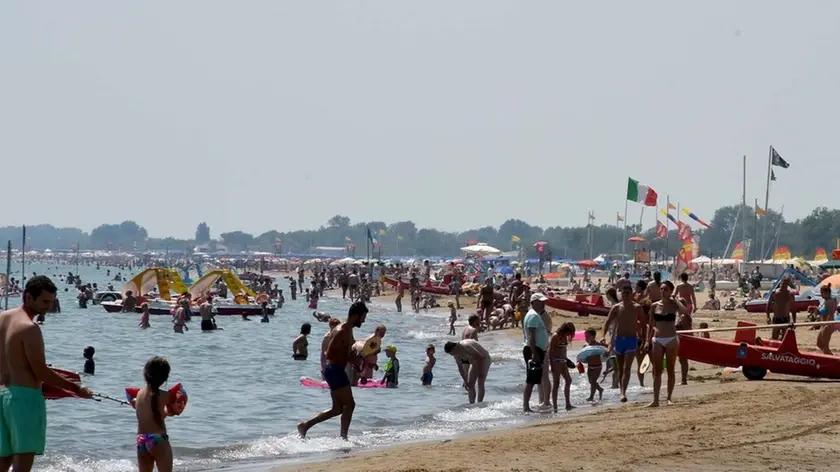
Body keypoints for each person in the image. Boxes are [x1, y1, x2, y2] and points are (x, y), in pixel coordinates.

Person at [0, 276, 93, 472]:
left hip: (2, 395)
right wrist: (76, 388)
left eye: (51, 301)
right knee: (22, 463)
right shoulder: (30, 328)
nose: (49, 307)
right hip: (24, 399)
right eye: (44, 301)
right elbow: (40, 371)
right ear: (28, 297)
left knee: (2, 461)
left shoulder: (2, 319)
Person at [298, 301, 368, 440]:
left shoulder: (348, 329)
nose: (364, 320)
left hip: (336, 370)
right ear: (356, 315)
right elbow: (329, 353)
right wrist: (349, 357)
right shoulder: (341, 331)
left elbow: (351, 350)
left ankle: (305, 425)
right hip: (335, 370)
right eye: (363, 317)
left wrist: (357, 362)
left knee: (338, 409)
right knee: (350, 404)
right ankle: (343, 437)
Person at [647, 281, 689, 407]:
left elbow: (685, 312)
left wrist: (676, 300)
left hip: (671, 338)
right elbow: (651, 324)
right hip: (658, 338)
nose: (663, 291)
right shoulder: (655, 305)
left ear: (671, 291)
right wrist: (647, 341)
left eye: (665, 289)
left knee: (671, 369)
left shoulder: (674, 305)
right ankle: (655, 399)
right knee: (657, 370)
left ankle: (669, 398)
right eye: (661, 289)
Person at [602, 283, 643, 403]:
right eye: (623, 293)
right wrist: (603, 336)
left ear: (631, 294)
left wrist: (643, 338)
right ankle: (621, 390)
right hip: (619, 340)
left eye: (627, 293)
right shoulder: (616, 307)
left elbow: (644, 323)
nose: (625, 295)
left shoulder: (637, 307)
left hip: (631, 340)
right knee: (620, 369)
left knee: (627, 368)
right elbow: (608, 322)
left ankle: (623, 393)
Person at [135, 357, 173, 472]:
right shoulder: (166, 396)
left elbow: (146, 414)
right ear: (165, 378)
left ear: (145, 373)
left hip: (142, 440)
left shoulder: (139, 394)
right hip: (158, 439)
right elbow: (175, 410)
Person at [522, 293, 551, 412]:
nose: (543, 304)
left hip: (536, 349)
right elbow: (531, 336)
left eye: (544, 301)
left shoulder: (533, 315)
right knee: (531, 380)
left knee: (535, 379)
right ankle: (526, 406)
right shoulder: (533, 316)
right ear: (533, 303)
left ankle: (529, 405)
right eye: (540, 302)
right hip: (534, 349)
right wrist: (535, 353)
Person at [444, 339, 490, 404]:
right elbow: (460, 368)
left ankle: (480, 403)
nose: (452, 355)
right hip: (470, 360)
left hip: (483, 358)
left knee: (480, 380)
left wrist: (479, 372)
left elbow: (480, 357)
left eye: (452, 353)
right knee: (470, 385)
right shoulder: (456, 355)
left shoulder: (466, 346)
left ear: (455, 348)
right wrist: (465, 381)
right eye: (450, 354)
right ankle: (472, 404)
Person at [548, 322, 575, 412]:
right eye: (569, 333)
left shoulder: (564, 337)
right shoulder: (555, 336)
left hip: (563, 361)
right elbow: (550, 352)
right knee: (556, 384)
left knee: (568, 380)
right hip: (556, 362)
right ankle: (555, 406)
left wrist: (567, 360)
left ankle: (568, 404)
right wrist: (551, 365)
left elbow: (563, 350)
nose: (569, 335)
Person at [579, 328, 606, 402]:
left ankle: (591, 396)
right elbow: (581, 355)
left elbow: (605, 351)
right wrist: (579, 361)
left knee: (593, 381)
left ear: (593, 337)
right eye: (585, 336)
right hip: (590, 366)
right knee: (591, 381)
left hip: (597, 366)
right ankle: (600, 389)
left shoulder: (598, 345)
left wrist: (605, 345)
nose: (586, 338)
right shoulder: (585, 346)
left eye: (588, 336)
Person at [767, 276, 795, 341]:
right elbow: (769, 305)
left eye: (786, 283)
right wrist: (768, 316)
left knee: (785, 338)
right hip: (776, 318)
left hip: (785, 318)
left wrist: (794, 320)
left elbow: (793, 308)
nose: (784, 285)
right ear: (780, 283)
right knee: (774, 337)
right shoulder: (775, 293)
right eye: (783, 283)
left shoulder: (790, 294)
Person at [815, 284, 838, 354]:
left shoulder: (830, 301)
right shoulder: (825, 301)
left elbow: (830, 314)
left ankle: (831, 359)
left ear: (827, 293)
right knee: (819, 344)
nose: (821, 295)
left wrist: (827, 325)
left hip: (828, 324)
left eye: (822, 293)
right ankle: (828, 355)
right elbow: (824, 312)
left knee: (825, 346)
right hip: (823, 324)